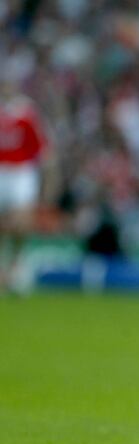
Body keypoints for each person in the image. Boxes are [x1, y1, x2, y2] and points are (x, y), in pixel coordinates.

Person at [0, 79, 50, 295]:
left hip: (21, 171)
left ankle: (16, 266)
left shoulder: (26, 112)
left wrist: (48, 178)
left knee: (20, 222)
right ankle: (5, 271)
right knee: (5, 224)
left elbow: (41, 147)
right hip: (2, 169)